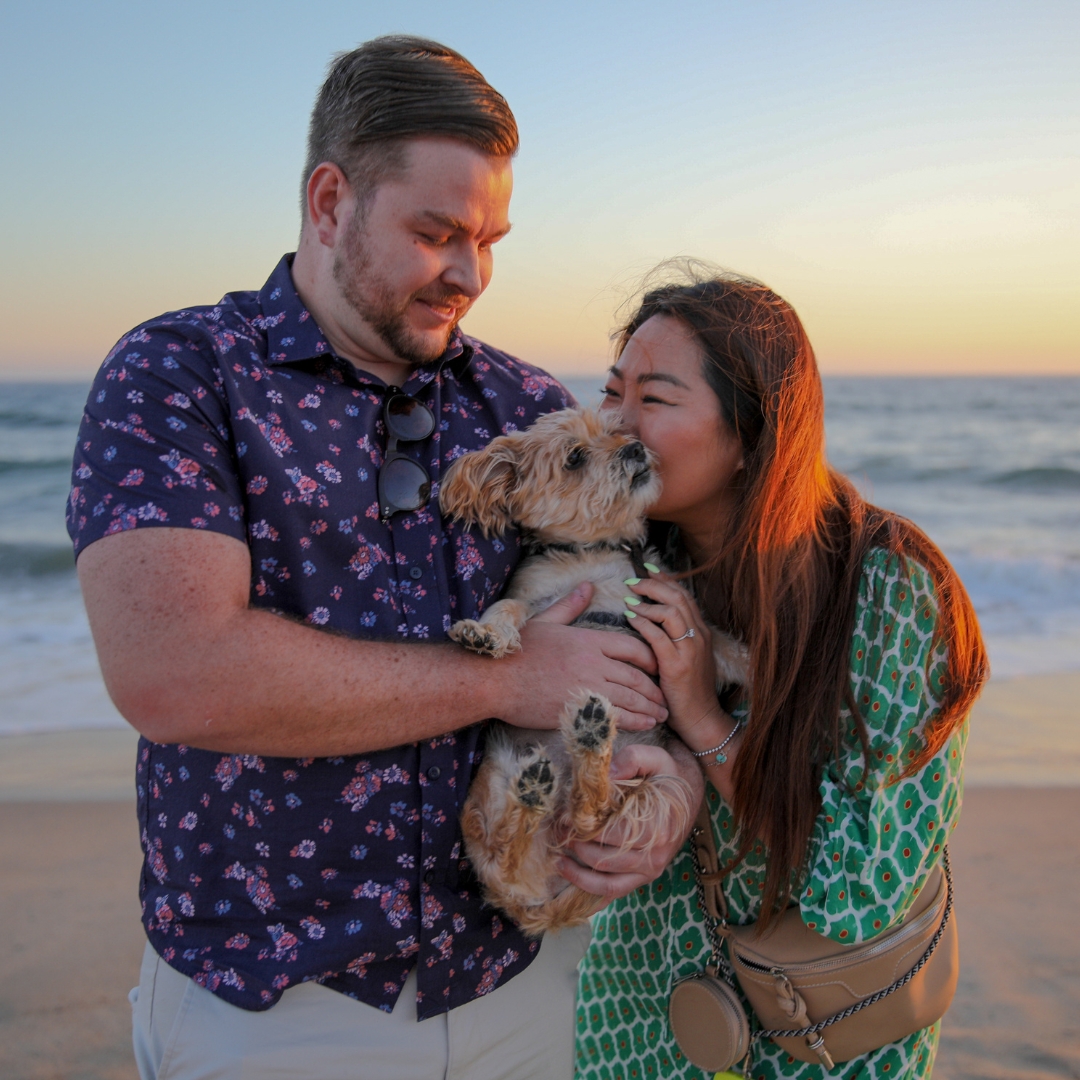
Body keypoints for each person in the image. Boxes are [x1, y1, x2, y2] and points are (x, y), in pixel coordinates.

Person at [68, 37, 700, 1080]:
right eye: (436, 231)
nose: (470, 272)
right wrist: (511, 678)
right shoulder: (180, 374)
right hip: (274, 1005)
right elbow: (174, 675)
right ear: (329, 202)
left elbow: (640, 627)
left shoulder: (527, 406)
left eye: (490, 238)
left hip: (528, 978)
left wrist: (666, 792)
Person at [573, 267, 988, 1080]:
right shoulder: (623, 564)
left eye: (654, 400)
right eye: (611, 393)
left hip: (823, 1026)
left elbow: (857, 888)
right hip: (639, 1013)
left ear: (753, 435)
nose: (614, 426)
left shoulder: (889, 590)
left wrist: (702, 718)